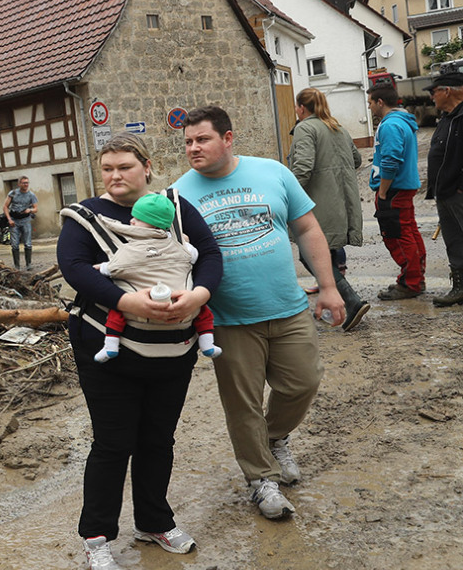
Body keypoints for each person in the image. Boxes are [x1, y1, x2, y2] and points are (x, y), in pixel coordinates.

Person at [57, 134, 223, 569]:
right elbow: (74, 268)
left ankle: (154, 522)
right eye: (107, 168)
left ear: (146, 167)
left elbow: (209, 253)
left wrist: (199, 295)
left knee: (158, 439)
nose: (115, 176)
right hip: (106, 348)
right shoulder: (85, 217)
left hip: (174, 348)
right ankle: (96, 537)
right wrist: (126, 302)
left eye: (124, 167)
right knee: (113, 443)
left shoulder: (174, 208)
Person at [172, 105, 344, 521]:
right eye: (188, 142)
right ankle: (261, 479)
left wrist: (328, 286)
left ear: (228, 139)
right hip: (227, 319)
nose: (193, 148)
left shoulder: (273, 173)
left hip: (287, 307)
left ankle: (275, 436)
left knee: (303, 382)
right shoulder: (177, 195)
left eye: (202, 139)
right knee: (242, 405)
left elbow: (307, 228)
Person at [69, 192, 221, 362]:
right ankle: (207, 344)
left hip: (142, 301)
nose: (131, 221)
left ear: (155, 223)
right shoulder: (179, 244)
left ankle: (110, 345)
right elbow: (194, 256)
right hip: (177, 296)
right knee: (202, 311)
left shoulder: (131, 248)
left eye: (138, 219)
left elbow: (117, 267)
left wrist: (101, 268)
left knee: (116, 312)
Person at [289, 88, 370, 331]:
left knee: (309, 253)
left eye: (296, 107)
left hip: (318, 203)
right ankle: (337, 308)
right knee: (329, 253)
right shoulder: (338, 127)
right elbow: (357, 160)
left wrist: (286, 195)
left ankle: (351, 301)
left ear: (301, 108)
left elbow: (303, 167)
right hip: (341, 201)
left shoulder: (305, 128)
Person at [367, 84, 425, 300]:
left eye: (370, 102)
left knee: (397, 235)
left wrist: (382, 191)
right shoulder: (402, 122)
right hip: (403, 187)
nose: (369, 107)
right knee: (409, 232)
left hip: (394, 189)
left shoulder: (390, 125)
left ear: (380, 102)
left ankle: (410, 283)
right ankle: (415, 278)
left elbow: (391, 160)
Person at [425, 70, 463, 306]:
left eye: (434, 92)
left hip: (458, 192)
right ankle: (460, 288)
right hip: (445, 193)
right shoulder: (448, 118)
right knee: (454, 242)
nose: (432, 97)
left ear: (447, 91)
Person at [3, 176, 38, 270]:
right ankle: (17, 266)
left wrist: (30, 210)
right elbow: (5, 207)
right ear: (19, 184)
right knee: (15, 244)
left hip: (26, 220)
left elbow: (36, 209)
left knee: (28, 243)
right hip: (14, 220)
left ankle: (28, 264)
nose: (26, 185)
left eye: (27, 183)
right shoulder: (13, 193)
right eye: (24, 183)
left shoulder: (31, 195)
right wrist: (9, 219)